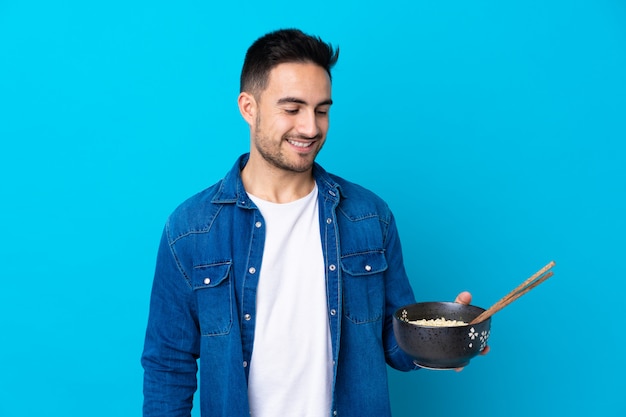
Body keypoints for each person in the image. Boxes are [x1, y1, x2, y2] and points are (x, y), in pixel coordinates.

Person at [141, 28, 481, 417]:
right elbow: (168, 366)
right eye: (292, 108)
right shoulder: (191, 230)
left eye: (322, 110)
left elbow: (391, 342)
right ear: (248, 108)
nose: (310, 127)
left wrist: (439, 341)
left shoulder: (369, 217)